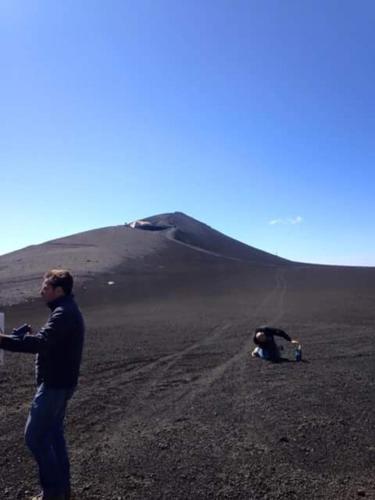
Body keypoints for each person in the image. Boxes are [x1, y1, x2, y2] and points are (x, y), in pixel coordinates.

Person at [0, 269, 85, 500]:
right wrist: (15, 339)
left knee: (35, 437)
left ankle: (52, 493)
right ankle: (62, 491)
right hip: (61, 383)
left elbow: (42, 342)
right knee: (53, 435)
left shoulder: (63, 313)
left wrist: (3, 340)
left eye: (46, 288)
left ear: (59, 290)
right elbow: (50, 342)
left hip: (55, 386)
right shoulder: (65, 310)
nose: (41, 291)